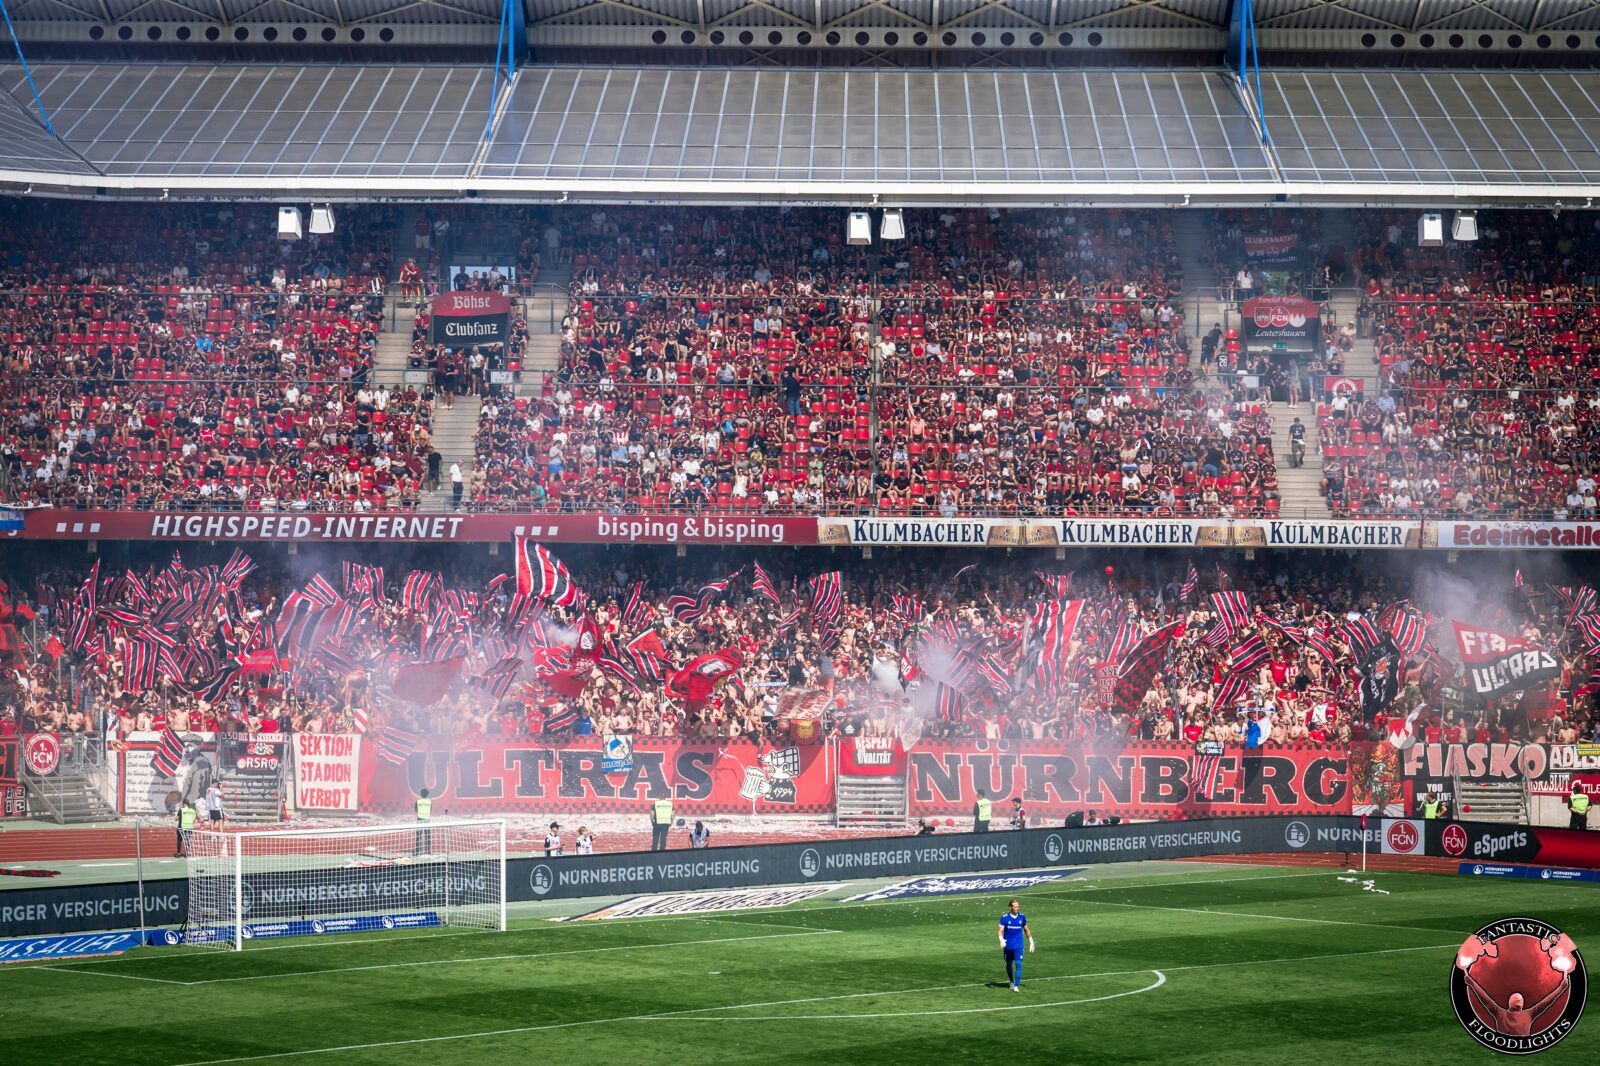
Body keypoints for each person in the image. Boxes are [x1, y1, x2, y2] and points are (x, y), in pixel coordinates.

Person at [997, 898, 1035, 993]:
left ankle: (1016, 986)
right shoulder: (1004, 918)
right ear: (1010, 907)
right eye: (1015, 907)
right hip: (1008, 946)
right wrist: (1001, 939)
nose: (1017, 909)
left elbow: (1026, 929)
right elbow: (1000, 930)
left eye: (1018, 907)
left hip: (1019, 945)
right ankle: (1011, 981)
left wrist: (1031, 941)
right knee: (1009, 964)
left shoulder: (1022, 917)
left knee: (1018, 964)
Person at [414, 787, 433, 856]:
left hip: (419, 819)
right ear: (427, 794)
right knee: (427, 836)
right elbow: (430, 810)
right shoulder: (430, 802)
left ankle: (417, 852)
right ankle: (428, 852)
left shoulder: (418, 801)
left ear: (421, 794)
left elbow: (416, 810)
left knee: (418, 836)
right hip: (427, 820)